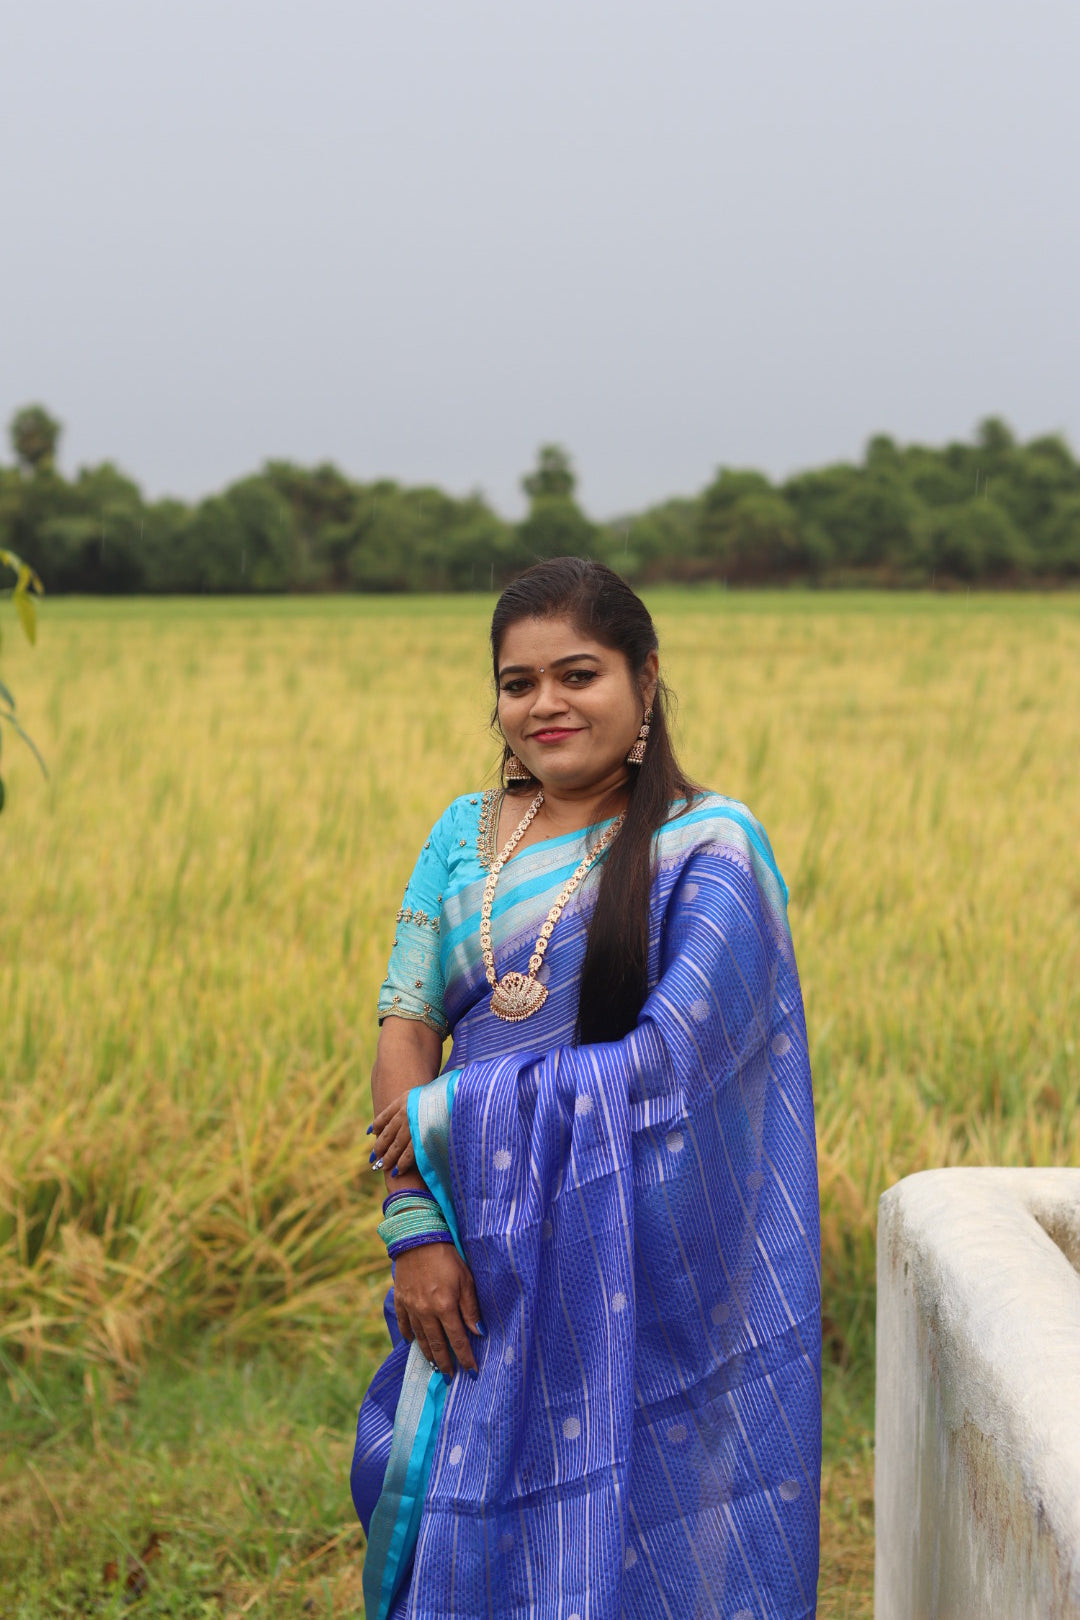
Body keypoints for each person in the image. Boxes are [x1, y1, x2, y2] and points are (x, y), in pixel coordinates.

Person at [352, 558, 821, 1620]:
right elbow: (406, 1027)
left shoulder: (709, 849)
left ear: (644, 682)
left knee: (649, 1527)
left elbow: (678, 1071)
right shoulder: (460, 838)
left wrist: (457, 1116)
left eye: (578, 674)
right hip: (473, 1254)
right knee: (442, 1505)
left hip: (648, 1259)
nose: (545, 705)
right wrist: (415, 1226)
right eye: (518, 684)